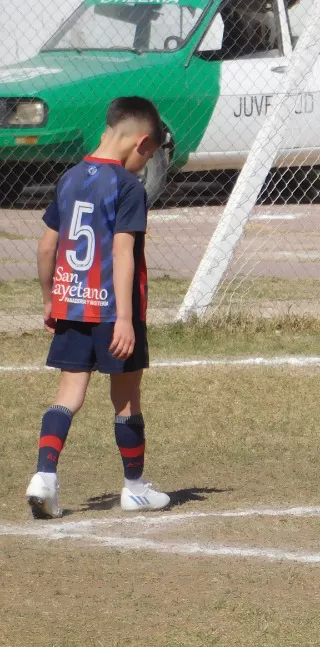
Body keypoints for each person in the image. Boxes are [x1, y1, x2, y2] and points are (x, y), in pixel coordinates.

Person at [25, 97, 170, 519]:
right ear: (142, 143)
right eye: (149, 156)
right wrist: (124, 318)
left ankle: (44, 478)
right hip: (113, 314)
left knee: (68, 395)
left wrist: (51, 299)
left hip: (72, 306)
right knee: (126, 400)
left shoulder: (69, 178)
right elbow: (123, 252)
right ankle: (134, 488)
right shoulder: (127, 187)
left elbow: (46, 245)